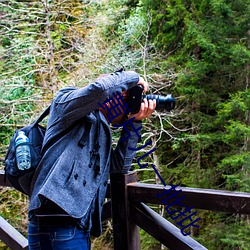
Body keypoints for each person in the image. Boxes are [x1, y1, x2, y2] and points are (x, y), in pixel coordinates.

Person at [27, 70, 156, 250]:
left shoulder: (101, 129)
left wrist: (134, 123)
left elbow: (119, 167)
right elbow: (100, 89)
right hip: (59, 223)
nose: (128, 109)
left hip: (73, 225)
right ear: (118, 92)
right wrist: (134, 78)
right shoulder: (66, 101)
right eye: (127, 101)